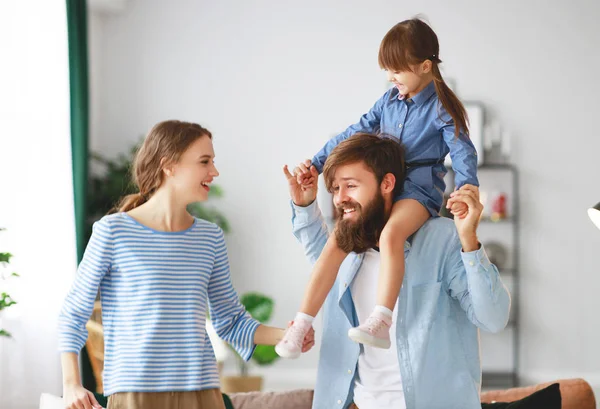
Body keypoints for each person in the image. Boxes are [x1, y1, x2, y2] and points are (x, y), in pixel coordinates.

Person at [57, 120, 314, 409]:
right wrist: (71, 385)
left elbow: (230, 320)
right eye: (205, 161)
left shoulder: (209, 237)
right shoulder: (114, 232)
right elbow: (74, 312)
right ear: (169, 165)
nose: (214, 172)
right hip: (136, 392)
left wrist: (287, 334)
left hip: (202, 392)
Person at [276, 18, 480, 358]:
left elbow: (462, 150)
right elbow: (355, 131)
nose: (391, 78)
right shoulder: (389, 100)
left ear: (425, 66)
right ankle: (301, 323)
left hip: (416, 188)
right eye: (387, 70)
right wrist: (316, 162)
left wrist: (467, 186)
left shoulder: (442, 108)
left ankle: (381, 320)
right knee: (337, 241)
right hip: (383, 183)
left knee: (390, 237)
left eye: (397, 71)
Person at [283, 133, 509, 408]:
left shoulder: (442, 239)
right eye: (334, 189)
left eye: (350, 186)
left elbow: (493, 318)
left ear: (387, 183)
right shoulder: (346, 247)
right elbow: (317, 255)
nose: (340, 198)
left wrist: (470, 243)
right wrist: (304, 204)